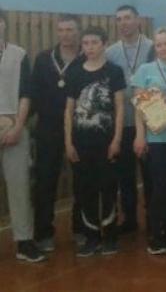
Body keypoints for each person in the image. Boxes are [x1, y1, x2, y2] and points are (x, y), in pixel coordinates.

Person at [64, 26, 126, 257]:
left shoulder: (114, 71)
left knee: (108, 188)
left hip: (106, 142)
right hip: (81, 142)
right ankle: (91, 237)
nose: (89, 48)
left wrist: (117, 139)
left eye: (94, 43)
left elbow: (120, 107)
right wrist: (68, 142)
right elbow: (69, 109)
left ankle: (110, 235)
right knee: (85, 190)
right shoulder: (74, 73)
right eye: (86, 43)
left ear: (104, 44)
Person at [31, 14, 86, 252]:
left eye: (70, 30)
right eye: (61, 30)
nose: (65, 34)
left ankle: (81, 228)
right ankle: (43, 232)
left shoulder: (87, 58)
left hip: (80, 127)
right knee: (45, 180)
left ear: (79, 32)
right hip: (49, 127)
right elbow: (33, 92)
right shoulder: (44, 59)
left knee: (82, 180)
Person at [131, 27, 166, 255]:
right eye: (159, 44)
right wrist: (140, 136)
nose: (163, 48)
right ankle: (155, 233)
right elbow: (138, 108)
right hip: (155, 138)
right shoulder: (145, 70)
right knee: (160, 186)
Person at [0, 7, 45, 262]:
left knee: (19, 186)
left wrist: (18, 126)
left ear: (4, 25)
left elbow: (26, 93)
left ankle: (24, 241)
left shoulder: (18, 55)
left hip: (14, 126)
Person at [106, 5, 153, 234]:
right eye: (119, 19)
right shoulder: (110, 52)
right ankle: (130, 219)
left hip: (150, 122)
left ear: (137, 20)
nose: (123, 23)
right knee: (125, 175)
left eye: (127, 18)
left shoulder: (152, 47)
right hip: (122, 122)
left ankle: (154, 218)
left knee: (151, 174)